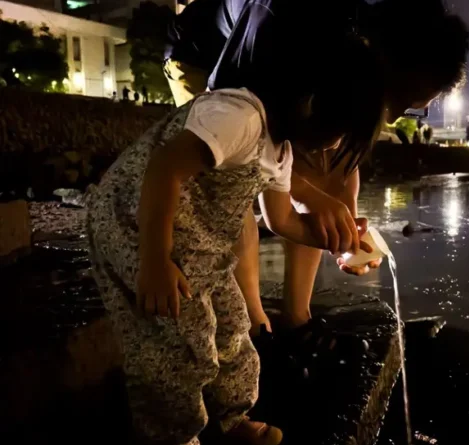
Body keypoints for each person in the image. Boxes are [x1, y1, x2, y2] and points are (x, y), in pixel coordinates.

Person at [86, 33, 386, 445]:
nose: (334, 147)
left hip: (198, 243)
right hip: (137, 226)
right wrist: (153, 260)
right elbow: (164, 169)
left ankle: (231, 420)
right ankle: (174, 436)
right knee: (177, 353)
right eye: (338, 134)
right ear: (311, 102)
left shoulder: (279, 150)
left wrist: (340, 242)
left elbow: (281, 220)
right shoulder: (238, 116)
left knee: (233, 329)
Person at [165, 0, 469, 348]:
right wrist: (307, 194)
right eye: (396, 103)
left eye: (409, 112)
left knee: (315, 154)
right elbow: (241, 147)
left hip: (286, 75)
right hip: (201, 57)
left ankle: (296, 318)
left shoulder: (355, 56)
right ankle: (253, 326)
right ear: (380, 62)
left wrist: (342, 233)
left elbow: (333, 169)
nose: (389, 119)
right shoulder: (283, 19)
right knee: (231, 189)